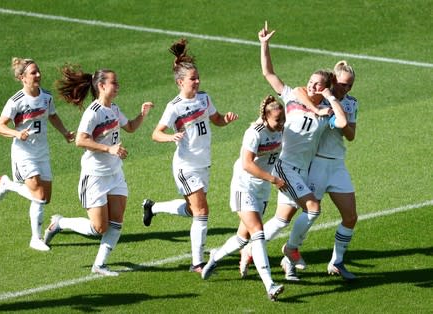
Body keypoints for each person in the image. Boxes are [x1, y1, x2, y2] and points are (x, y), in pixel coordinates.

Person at [240, 22, 347, 281]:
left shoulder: (327, 112)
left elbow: (343, 124)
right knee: (312, 209)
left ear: (326, 87)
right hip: (284, 166)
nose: (311, 86)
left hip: (302, 169)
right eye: (311, 82)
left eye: (318, 84)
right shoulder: (293, 98)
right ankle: (289, 250)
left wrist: (330, 99)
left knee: (282, 218)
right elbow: (269, 73)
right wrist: (264, 44)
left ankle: (250, 250)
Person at [44, 64, 154, 276]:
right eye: (114, 83)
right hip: (94, 176)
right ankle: (60, 223)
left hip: (115, 174)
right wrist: (109, 148)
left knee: (117, 221)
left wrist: (142, 115)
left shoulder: (113, 108)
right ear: (102, 86)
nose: (118, 86)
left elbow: (129, 127)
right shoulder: (92, 113)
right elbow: (80, 140)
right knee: (99, 228)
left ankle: (100, 265)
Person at [142, 38, 238, 274]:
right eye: (192, 79)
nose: (196, 82)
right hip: (186, 165)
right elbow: (156, 134)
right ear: (180, 82)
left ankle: (152, 207)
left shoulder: (204, 98)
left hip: (203, 163)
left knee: (191, 209)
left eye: (197, 78)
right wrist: (170, 138)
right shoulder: (174, 106)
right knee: (202, 212)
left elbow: (216, 120)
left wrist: (226, 119)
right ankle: (197, 263)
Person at [201, 95, 285, 301]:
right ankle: (270, 284)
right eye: (277, 120)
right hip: (243, 186)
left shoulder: (282, 130)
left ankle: (215, 257)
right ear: (265, 118)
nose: (281, 124)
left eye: (283, 119)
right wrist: (273, 178)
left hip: (261, 189)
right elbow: (247, 164)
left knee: (243, 238)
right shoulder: (254, 133)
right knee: (258, 231)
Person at [0, 57, 75, 252]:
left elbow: (53, 116)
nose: (38, 75)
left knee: (45, 198)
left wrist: (65, 132)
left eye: (38, 71)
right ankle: (35, 239)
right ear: (23, 77)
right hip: (24, 154)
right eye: (33, 73)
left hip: (42, 152)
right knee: (38, 196)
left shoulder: (46, 97)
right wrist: (16, 133)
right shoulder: (16, 101)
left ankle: (8, 185)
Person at [292, 61, 358, 280]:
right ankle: (289, 253)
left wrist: (340, 116)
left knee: (350, 217)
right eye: (342, 84)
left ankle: (336, 262)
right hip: (317, 164)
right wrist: (327, 101)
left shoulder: (350, 103)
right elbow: (296, 92)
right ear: (332, 82)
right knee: (310, 213)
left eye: (349, 86)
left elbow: (350, 134)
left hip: (337, 164)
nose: (345, 89)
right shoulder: (318, 99)